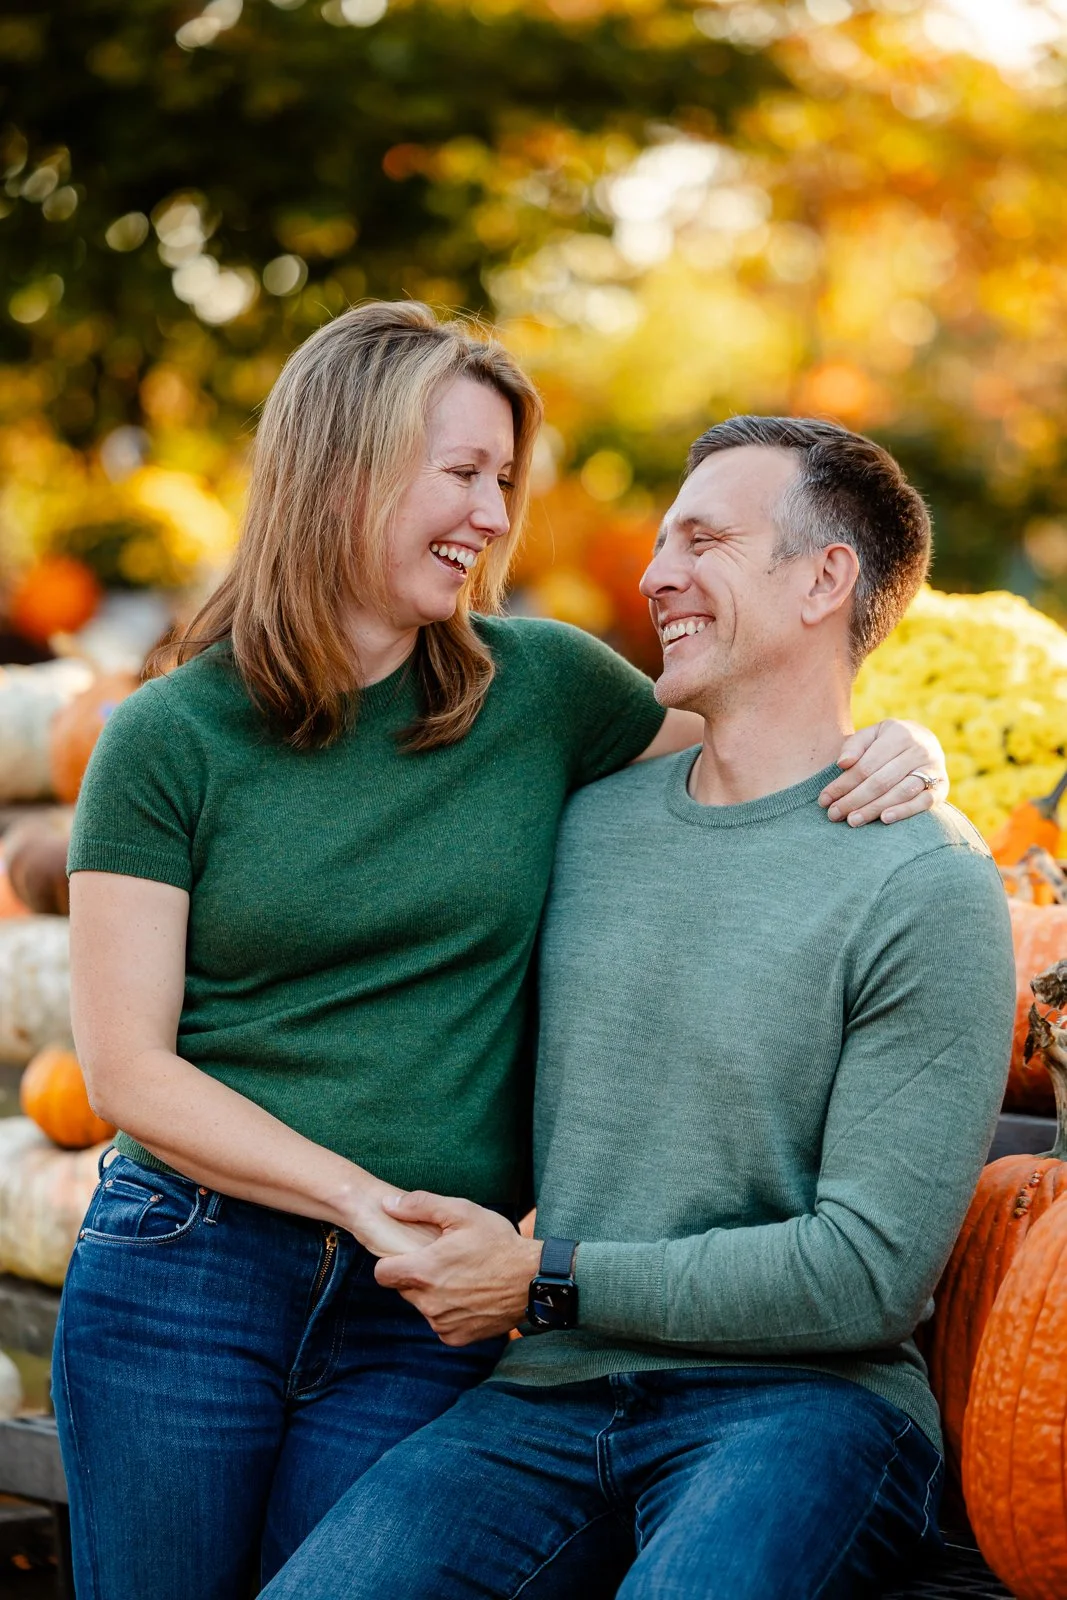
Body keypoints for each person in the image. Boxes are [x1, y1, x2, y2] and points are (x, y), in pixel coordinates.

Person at [54, 300, 946, 1600]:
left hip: (422, 1310)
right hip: (187, 1271)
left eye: (502, 480)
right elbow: (126, 1068)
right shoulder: (167, 739)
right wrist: (355, 1200)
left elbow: (760, 742)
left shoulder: (541, 692)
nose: (490, 513)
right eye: (460, 471)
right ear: (345, 464)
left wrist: (904, 752)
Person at [259, 416, 1016, 1600]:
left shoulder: (925, 885)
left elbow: (866, 1273)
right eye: (660, 541)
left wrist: (546, 1278)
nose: (655, 573)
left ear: (825, 578)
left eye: (702, 539)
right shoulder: (584, 822)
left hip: (801, 1412)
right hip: (542, 1396)